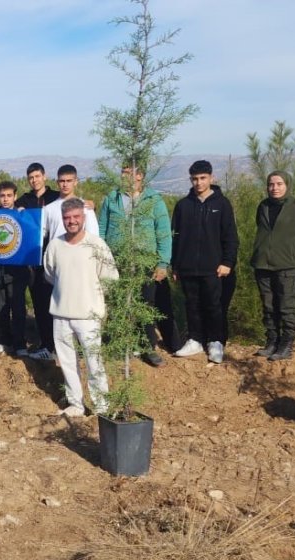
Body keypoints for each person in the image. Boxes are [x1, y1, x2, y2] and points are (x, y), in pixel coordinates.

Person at [43, 198, 119, 417]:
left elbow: (110, 278)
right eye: (67, 218)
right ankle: (76, 403)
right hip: (61, 313)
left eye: (76, 217)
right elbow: (50, 274)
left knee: (94, 362)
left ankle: (101, 406)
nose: (72, 222)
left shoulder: (97, 245)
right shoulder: (55, 245)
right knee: (67, 362)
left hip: (89, 315)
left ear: (83, 218)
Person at [98, 164, 179, 366]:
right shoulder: (111, 199)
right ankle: (119, 344)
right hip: (116, 261)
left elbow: (163, 233)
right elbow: (101, 230)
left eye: (128, 173)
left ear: (140, 175)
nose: (124, 176)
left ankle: (147, 347)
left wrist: (162, 263)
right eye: (122, 172)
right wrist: (101, 258)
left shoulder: (154, 200)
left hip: (145, 262)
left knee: (145, 305)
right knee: (118, 304)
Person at [171, 160, 239, 364]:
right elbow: (176, 236)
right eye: (194, 179)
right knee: (192, 304)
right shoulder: (183, 205)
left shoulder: (222, 204)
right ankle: (195, 340)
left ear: (211, 178)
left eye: (202, 178)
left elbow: (231, 237)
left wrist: (227, 262)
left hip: (214, 267)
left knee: (214, 305)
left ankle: (215, 341)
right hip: (188, 267)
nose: (198, 182)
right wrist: (175, 265)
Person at [251, 170, 295, 361]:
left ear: (287, 185)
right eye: (271, 184)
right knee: (268, 306)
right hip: (263, 265)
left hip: (288, 267)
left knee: (286, 306)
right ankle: (272, 341)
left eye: (279, 184)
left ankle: (286, 344)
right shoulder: (263, 206)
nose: (274, 188)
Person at [16, 163, 61, 360]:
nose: (34, 180)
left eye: (37, 176)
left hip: (55, 257)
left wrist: (89, 204)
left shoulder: (56, 197)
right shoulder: (24, 200)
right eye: (31, 177)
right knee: (40, 304)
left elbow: (74, 205)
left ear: (44, 176)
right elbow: (8, 212)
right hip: (33, 261)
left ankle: (62, 345)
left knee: (59, 303)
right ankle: (46, 345)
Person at [0, 181, 30, 356]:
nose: (5, 199)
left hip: (18, 271)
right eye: (2, 196)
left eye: (9, 195)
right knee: (1, 308)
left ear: (14, 196)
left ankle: (20, 344)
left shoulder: (22, 214)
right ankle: (4, 341)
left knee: (18, 307)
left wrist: (24, 216)